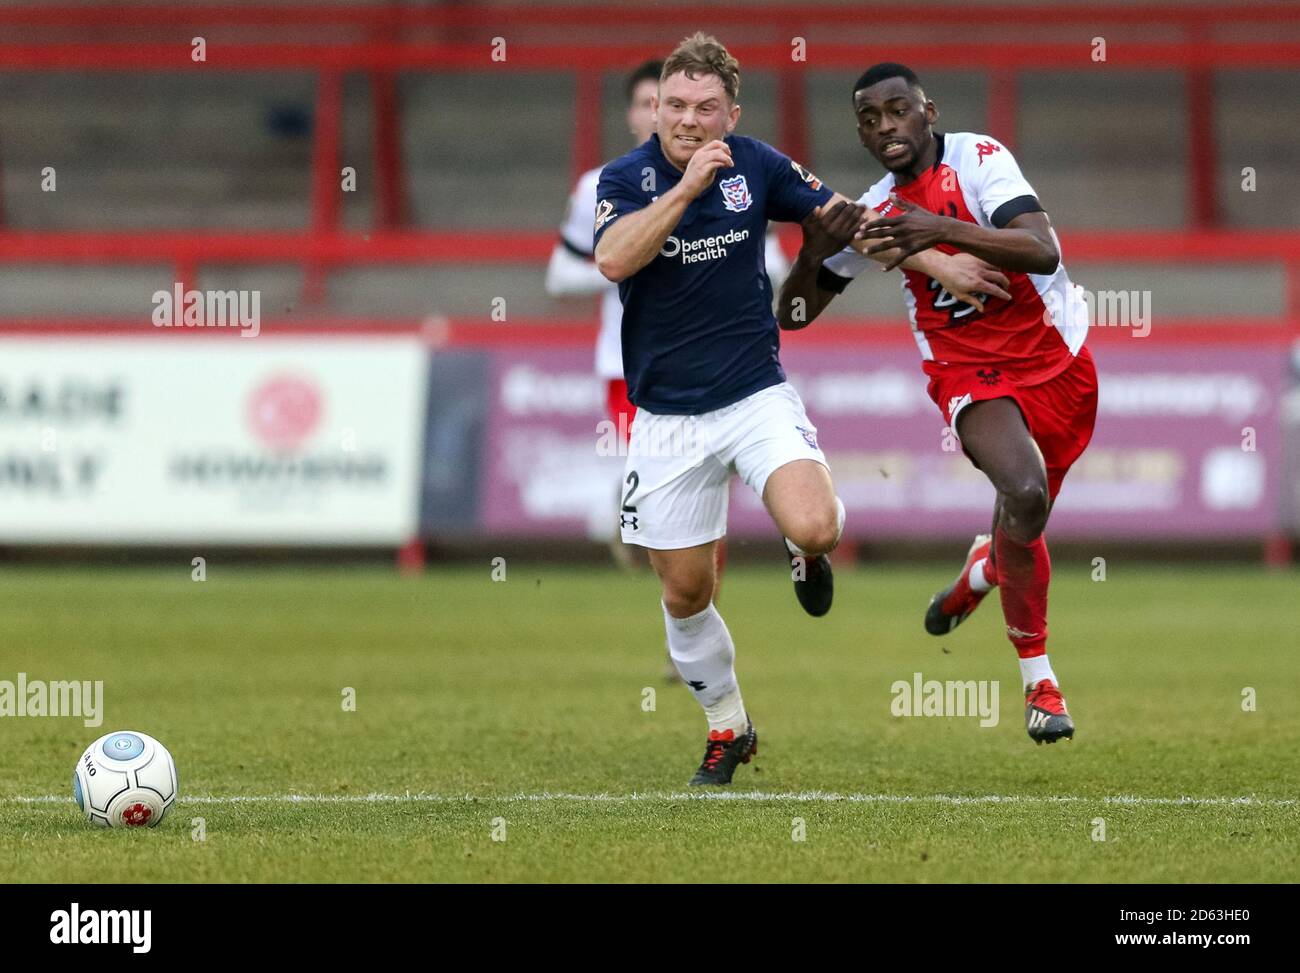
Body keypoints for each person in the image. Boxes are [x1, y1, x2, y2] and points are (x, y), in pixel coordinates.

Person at [595, 37, 1005, 784]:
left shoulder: (755, 162)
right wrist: (685, 189)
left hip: (754, 394)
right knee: (686, 593)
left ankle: (803, 549)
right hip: (667, 419)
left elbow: (845, 218)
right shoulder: (625, 179)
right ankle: (730, 726)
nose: (688, 120)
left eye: (705, 109)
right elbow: (615, 259)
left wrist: (939, 260)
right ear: (656, 107)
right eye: (675, 105)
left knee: (816, 520)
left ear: (731, 113)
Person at [776, 63, 1098, 745]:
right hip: (966, 370)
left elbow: (1042, 250)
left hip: (1059, 363)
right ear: (861, 135)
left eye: (897, 110)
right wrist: (812, 252)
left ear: (928, 109)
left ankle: (982, 570)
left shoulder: (979, 158)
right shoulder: (876, 211)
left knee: (1021, 519)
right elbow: (796, 313)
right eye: (870, 119)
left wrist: (934, 230)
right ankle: (1039, 682)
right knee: (1025, 490)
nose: (886, 126)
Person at [545, 58, 790, 606]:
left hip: (729, 358)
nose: (669, 115)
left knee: (710, 487)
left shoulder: (733, 170)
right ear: (646, 112)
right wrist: (635, 256)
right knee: (674, 496)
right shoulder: (603, 185)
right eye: (651, 104)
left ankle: (693, 609)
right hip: (632, 366)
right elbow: (559, 275)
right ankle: (640, 526)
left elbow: (773, 257)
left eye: (695, 107)